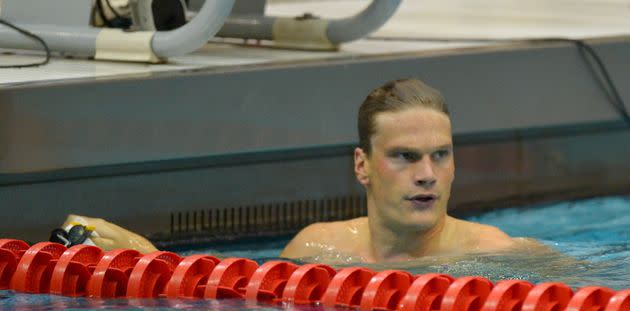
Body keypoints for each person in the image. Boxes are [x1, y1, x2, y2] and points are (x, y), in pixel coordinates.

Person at [63, 79, 537, 263]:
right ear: (363, 166)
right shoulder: (316, 248)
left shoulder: (495, 255)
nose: (428, 174)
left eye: (441, 155)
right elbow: (235, 296)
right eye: (406, 156)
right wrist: (151, 259)